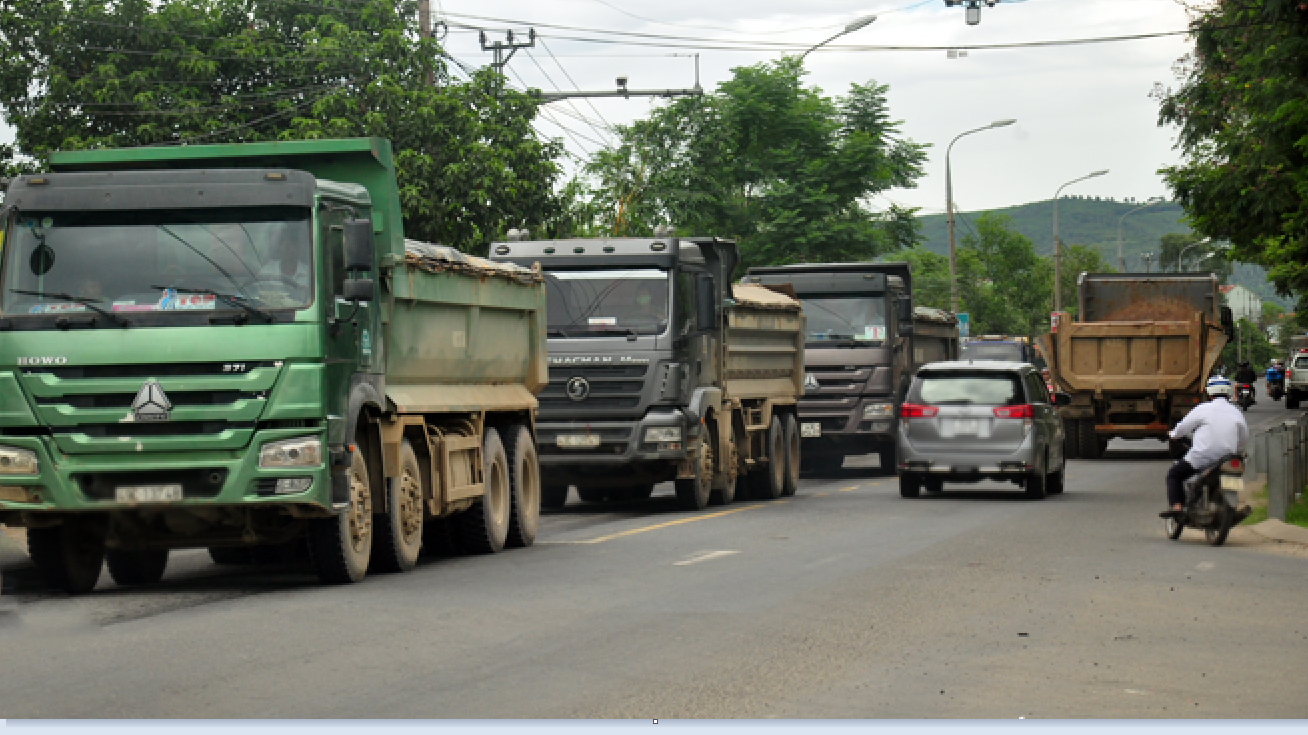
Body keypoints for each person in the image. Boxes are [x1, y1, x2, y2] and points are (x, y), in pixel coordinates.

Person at [1161, 376, 1249, 518]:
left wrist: (1173, 434)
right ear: (1228, 392)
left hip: (1202, 457)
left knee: (1174, 475)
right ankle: (1230, 507)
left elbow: (1182, 428)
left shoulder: (1202, 409)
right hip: (1228, 459)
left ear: (1209, 393)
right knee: (1233, 474)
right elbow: (1244, 438)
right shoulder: (1236, 412)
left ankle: (1177, 508)